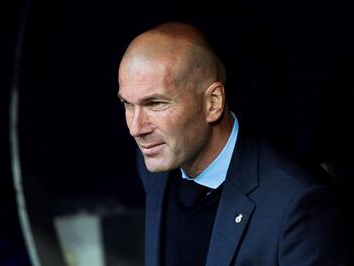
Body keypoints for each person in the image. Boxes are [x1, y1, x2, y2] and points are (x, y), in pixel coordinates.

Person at [117, 22, 349, 266]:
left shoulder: (296, 203)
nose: (136, 128)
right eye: (127, 105)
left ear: (213, 103)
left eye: (156, 104)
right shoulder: (154, 164)